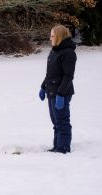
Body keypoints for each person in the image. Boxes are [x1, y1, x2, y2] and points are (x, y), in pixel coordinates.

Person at [39, 25, 77, 154]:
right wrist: (43, 87)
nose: (50, 38)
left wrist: (61, 94)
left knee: (62, 121)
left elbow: (68, 76)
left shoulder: (68, 53)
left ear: (59, 37)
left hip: (62, 93)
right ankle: (56, 146)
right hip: (51, 90)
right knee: (55, 121)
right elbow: (50, 73)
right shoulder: (54, 51)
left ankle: (63, 148)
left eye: (52, 35)